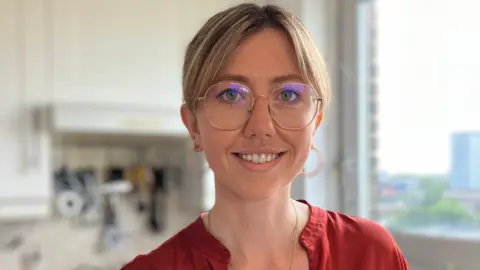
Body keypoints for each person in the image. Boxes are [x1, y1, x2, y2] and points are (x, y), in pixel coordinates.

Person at [122, 3, 409, 270]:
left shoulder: (371, 254)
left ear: (315, 122)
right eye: (231, 94)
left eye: (288, 94)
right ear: (193, 125)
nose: (261, 126)